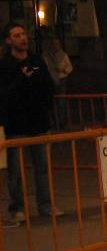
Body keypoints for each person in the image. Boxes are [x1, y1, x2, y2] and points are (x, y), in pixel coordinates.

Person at [2, 21, 59, 224]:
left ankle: (45, 205)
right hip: (16, 127)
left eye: (23, 34)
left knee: (42, 168)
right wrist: (22, 78)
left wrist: (47, 107)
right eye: (17, 35)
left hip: (39, 123)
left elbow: (49, 87)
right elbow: (6, 95)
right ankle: (17, 208)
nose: (23, 38)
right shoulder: (5, 66)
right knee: (16, 172)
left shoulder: (36, 61)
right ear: (8, 41)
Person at [42, 35, 72, 128]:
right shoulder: (45, 55)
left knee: (61, 102)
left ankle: (61, 121)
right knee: (51, 101)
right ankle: (53, 121)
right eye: (54, 44)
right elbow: (43, 67)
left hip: (61, 80)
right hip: (50, 80)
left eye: (57, 44)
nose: (55, 46)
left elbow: (70, 67)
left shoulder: (63, 55)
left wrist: (63, 70)